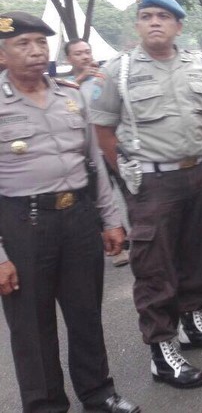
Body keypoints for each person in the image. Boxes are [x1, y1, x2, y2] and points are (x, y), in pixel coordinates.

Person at [90, 0, 202, 389]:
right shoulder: (116, 69)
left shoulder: (195, 65)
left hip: (195, 174)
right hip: (151, 182)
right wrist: (125, 173)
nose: (154, 22)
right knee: (155, 266)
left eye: (163, 16)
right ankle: (161, 351)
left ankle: (191, 323)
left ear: (178, 26)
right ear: (138, 24)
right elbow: (102, 129)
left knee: (197, 252)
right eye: (147, 15)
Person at [0, 12, 139, 413]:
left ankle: (98, 392)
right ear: (2, 53)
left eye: (41, 43)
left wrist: (111, 219)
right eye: (23, 44)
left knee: (85, 313)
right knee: (31, 325)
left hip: (77, 218)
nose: (35, 51)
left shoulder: (70, 95)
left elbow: (95, 163)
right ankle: (45, 405)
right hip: (23, 224)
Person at [65, 38, 131, 268]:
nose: (84, 57)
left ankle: (143, 238)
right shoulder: (65, 87)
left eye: (87, 52)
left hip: (115, 146)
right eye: (78, 54)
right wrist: (77, 81)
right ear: (68, 59)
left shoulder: (107, 77)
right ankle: (118, 246)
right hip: (90, 155)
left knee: (131, 192)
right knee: (101, 200)